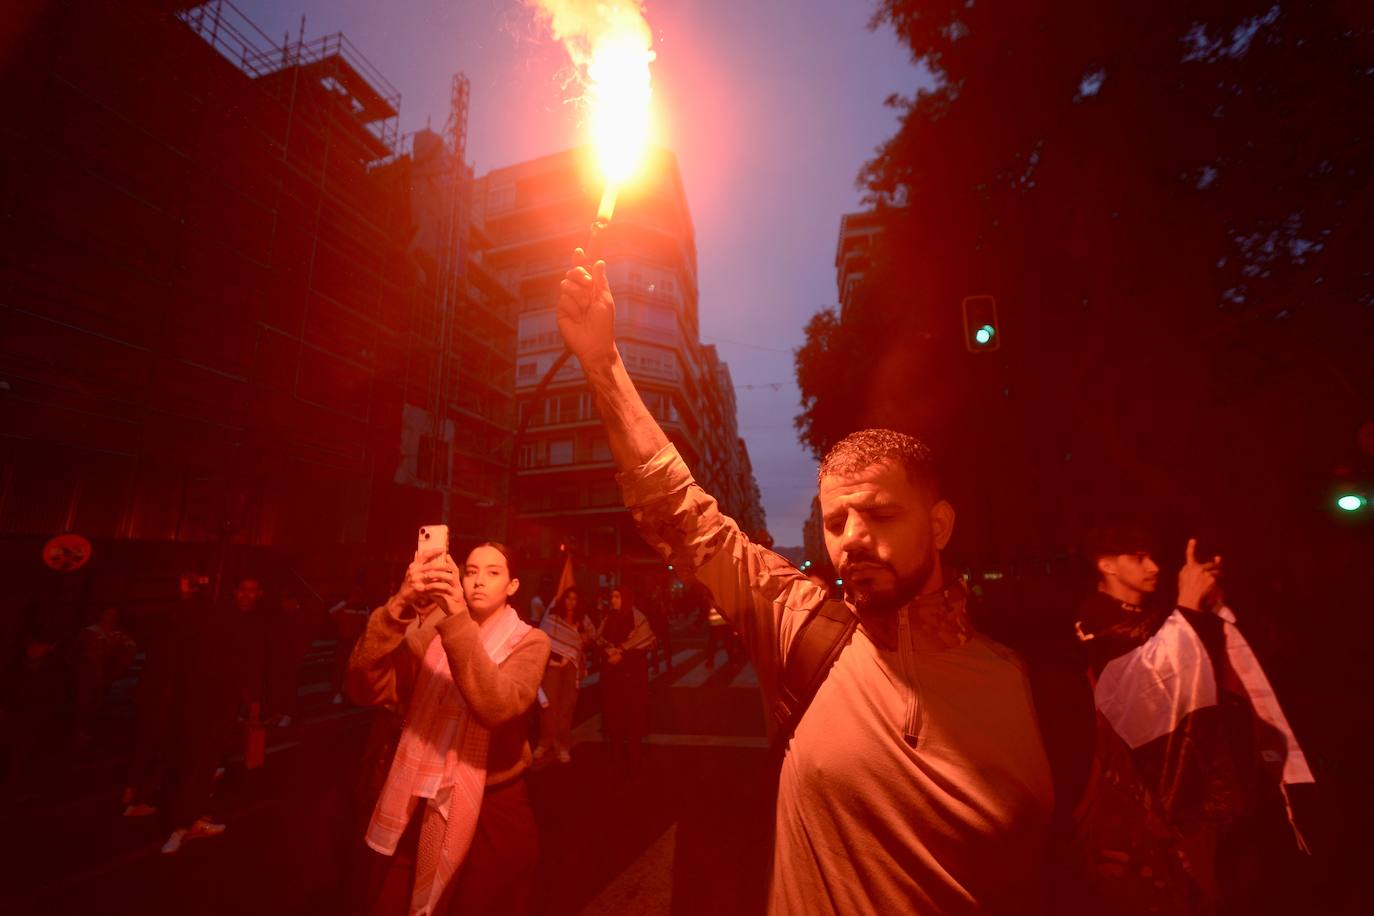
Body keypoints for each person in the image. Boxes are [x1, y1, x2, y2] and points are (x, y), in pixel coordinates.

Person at [557, 251, 1058, 913]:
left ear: (939, 525)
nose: (853, 538)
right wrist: (602, 362)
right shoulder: (800, 626)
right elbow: (681, 514)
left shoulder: (1043, 695)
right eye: (835, 521)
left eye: (881, 514)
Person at [1076, 527, 1315, 911]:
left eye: (1152, 555)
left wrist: (1208, 606)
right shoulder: (1094, 621)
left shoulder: (1158, 615)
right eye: (1138, 557)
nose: (1154, 567)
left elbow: (1210, 668)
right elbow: (1143, 686)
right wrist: (1188, 607)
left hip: (1215, 780)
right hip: (1159, 792)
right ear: (1107, 565)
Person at [349, 542, 551, 916]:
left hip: (494, 800)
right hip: (426, 790)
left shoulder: (530, 641)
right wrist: (399, 604)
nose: (478, 581)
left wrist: (456, 618)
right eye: (470, 571)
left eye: (493, 572)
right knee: (396, 899)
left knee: (483, 902)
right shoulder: (434, 635)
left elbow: (498, 706)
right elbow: (365, 687)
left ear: (512, 586)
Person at [596, 587, 656, 770]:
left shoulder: (638, 618)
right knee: (614, 716)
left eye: (617, 596)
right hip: (612, 677)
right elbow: (599, 640)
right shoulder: (609, 618)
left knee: (633, 717)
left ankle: (634, 757)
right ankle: (616, 757)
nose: (613, 600)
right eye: (612, 596)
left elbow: (643, 645)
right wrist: (607, 653)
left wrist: (622, 655)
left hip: (632, 677)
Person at [535, 587, 591, 764]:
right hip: (552, 665)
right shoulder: (552, 618)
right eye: (568, 598)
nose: (571, 602)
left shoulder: (583, 619)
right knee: (548, 705)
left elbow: (592, 636)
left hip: (572, 667)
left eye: (574, 599)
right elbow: (542, 639)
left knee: (567, 707)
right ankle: (545, 742)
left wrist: (585, 638)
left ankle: (562, 745)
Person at [70, 605, 137, 744]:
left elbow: (131, 647)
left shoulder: (118, 634)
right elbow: (76, 652)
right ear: (101, 614)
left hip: (104, 675)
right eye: (108, 614)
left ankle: (90, 732)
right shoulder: (88, 632)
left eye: (114, 615)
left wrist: (119, 661)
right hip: (86, 674)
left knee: (97, 703)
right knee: (83, 703)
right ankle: (79, 732)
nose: (110, 618)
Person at [328, 589, 372, 705]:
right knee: (340, 668)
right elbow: (331, 613)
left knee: (353, 670)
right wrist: (346, 603)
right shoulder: (343, 607)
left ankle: (350, 694)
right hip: (344, 643)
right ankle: (336, 693)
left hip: (357, 644)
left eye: (359, 595)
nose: (357, 598)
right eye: (355, 595)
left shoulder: (364, 609)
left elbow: (368, 624)